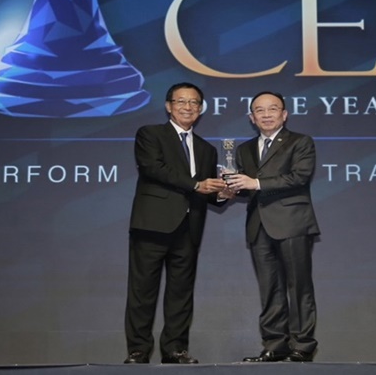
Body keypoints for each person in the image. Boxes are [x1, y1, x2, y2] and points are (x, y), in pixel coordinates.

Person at [124, 82, 228, 364]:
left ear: (201, 109)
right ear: (169, 106)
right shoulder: (150, 134)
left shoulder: (206, 149)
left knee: (181, 294)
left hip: (189, 228)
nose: (188, 107)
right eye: (181, 101)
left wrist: (222, 194)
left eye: (194, 103)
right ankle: (138, 351)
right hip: (152, 224)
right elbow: (153, 168)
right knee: (142, 292)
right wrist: (196, 184)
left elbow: (206, 191)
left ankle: (175, 349)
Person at [226, 91, 321, 362]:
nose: (266, 115)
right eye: (260, 110)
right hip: (258, 225)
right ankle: (275, 345)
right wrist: (228, 189)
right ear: (251, 117)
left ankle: (302, 345)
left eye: (272, 109)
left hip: (292, 222)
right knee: (270, 289)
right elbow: (246, 188)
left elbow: (299, 177)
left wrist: (255, 183)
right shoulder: (244, 149)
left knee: (298, 286)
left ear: (284, 114)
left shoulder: (300, 142)